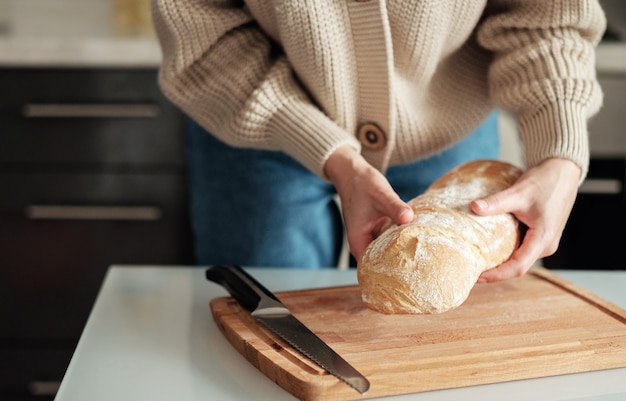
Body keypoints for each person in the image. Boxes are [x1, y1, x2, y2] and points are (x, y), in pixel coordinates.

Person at [151, 1, 606, 282]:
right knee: (269, 325)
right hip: (258, 118)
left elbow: (546, 19)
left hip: (445, 124)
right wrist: (331, 152)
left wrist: (559, 151)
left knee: (445, 335)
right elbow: (204, 31)